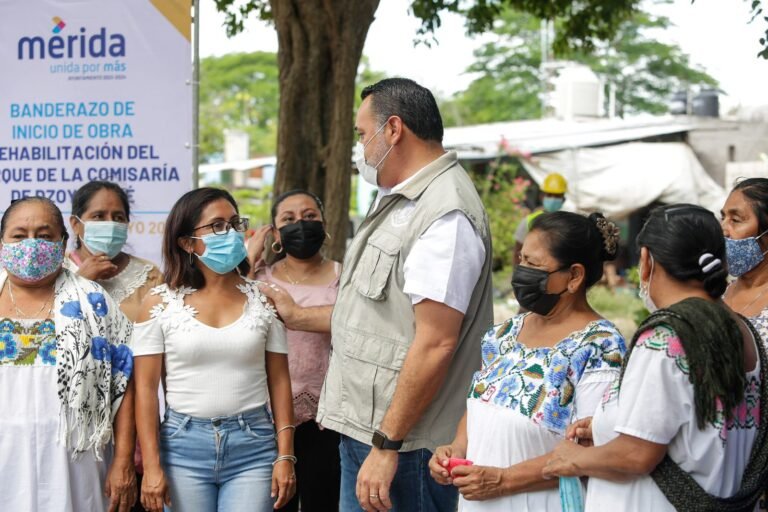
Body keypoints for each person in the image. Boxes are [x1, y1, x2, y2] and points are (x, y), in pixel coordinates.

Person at [259, 77, 493, 512]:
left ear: (394, 130)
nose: (360, 146)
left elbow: (437, 341)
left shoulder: (444, 213)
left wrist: (387, 445)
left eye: (362, 134)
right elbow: (370, 315)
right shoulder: (402, 200)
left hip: (406, 445)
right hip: (371, 431)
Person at [542, 204, 768, 511]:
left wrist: (572, 459)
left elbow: (636, 454)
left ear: (647, 260)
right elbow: (696, 428)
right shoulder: (744, 332)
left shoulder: (666, 338)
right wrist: (606, 425)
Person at [428, 211, 627, 511]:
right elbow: (480, 404)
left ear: (574, 276)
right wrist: (455, 449)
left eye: (533, 265)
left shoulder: (600, 346)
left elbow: (592, 451)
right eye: (522, 260)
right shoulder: (504, 334)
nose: (521, 272)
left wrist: (503, 480)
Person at [132, 188, 296, 512]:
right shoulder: (158, 303)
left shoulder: (266, 298)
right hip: (181, 448)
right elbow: (146, 390)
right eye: (218, 226)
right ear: (187, 242)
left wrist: (286, 455)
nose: (232, 233)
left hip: (254, 446)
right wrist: (151, 467)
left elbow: (279, 382)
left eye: (236, 223)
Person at [0, 196, 136, 511]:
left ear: (63, 244)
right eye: (19, 236)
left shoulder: (94, 303)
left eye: (45, 235)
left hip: (75, 462)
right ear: (2, 243)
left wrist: (124, 462)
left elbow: (123, 386)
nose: (31, 245)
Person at [247, 189, 342, 512]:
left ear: (324, 223)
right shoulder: (261, 279)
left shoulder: (345, 277)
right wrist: (249, 257)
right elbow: (228, 308)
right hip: (268, 418)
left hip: (328, 417)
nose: (300, 225)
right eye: (288, 220)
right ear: (274, 233)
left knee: (324, 501)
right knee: (273, 504)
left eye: (309, 216)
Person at [66, 181, 163, 320]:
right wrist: (80, 281)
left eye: (118, 217)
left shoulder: (150, 277)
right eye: (98, 216)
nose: (110, 223)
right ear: (76, 224)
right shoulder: (56, 269)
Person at [512, 172, 567, 268]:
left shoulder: (567, 223)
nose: (553, 199)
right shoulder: (529, 221)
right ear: (542, 196)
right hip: (532, 274)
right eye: (549, 195)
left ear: (563, 199)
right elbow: (517, 251)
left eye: (557, 196)